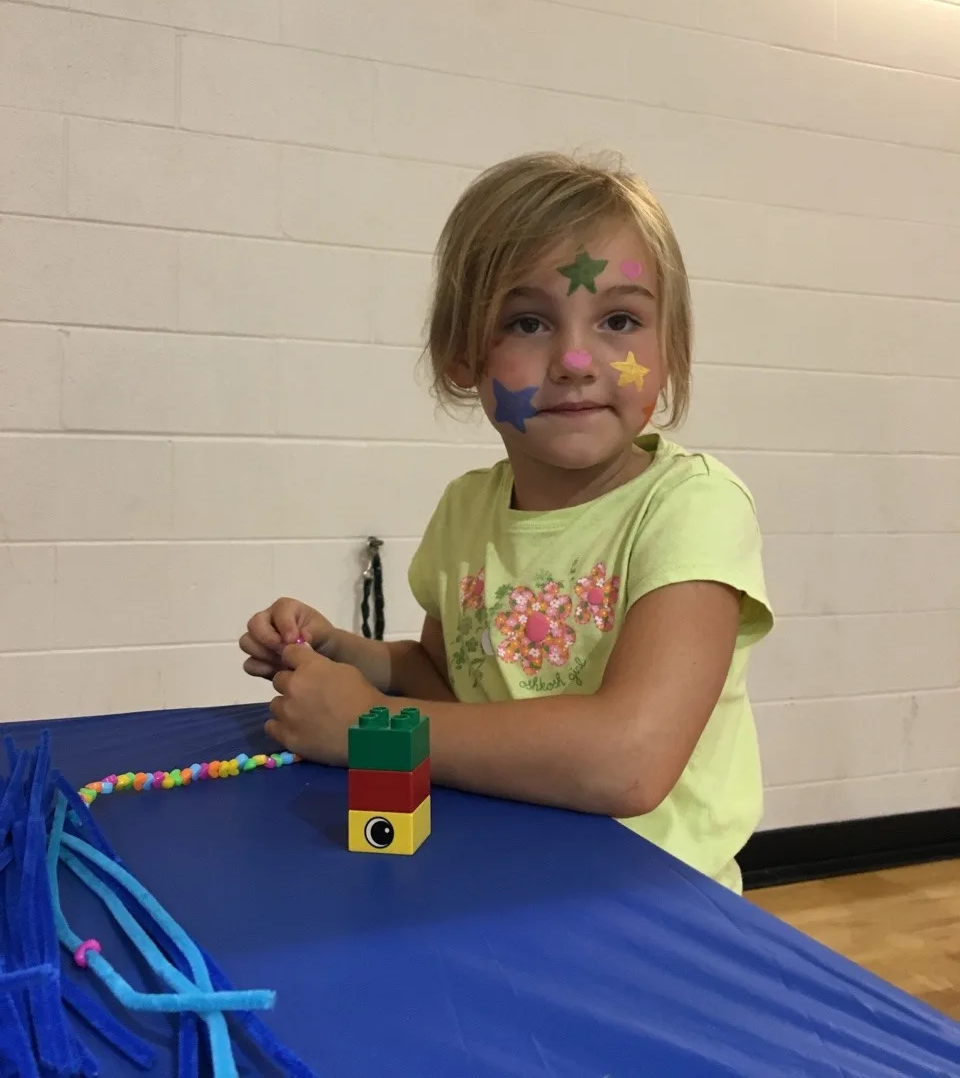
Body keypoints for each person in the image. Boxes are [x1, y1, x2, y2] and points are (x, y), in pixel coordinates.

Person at [240, 152, 773, 893]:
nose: (578, 359)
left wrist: (364, 728)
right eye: (528, 322)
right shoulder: (468, 509)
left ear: (669, 351)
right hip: (497, 876)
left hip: (655, 909)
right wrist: (349, 655)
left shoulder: (692, 509)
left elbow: (631, 759)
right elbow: (452, 680)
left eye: (620, 319)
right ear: (464, 356)